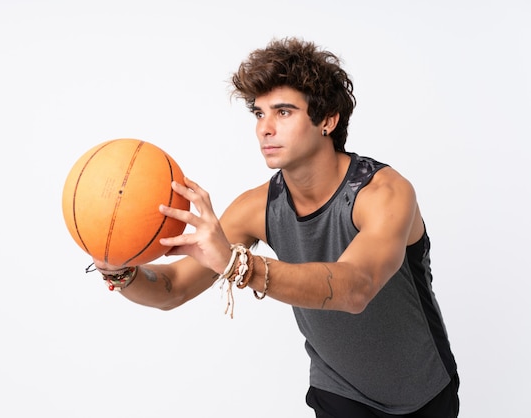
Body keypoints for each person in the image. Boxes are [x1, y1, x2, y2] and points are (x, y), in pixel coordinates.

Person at [92, 37, 459, 417]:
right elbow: (173, 288)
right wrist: (120, 270)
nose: (264, 128)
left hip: (423, 392)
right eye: (258, 113)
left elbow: (356, 287)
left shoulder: (383, 192)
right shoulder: (257, 208)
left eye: (283, 112)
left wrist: (238, 265)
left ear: (327, 121)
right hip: (339, 392)